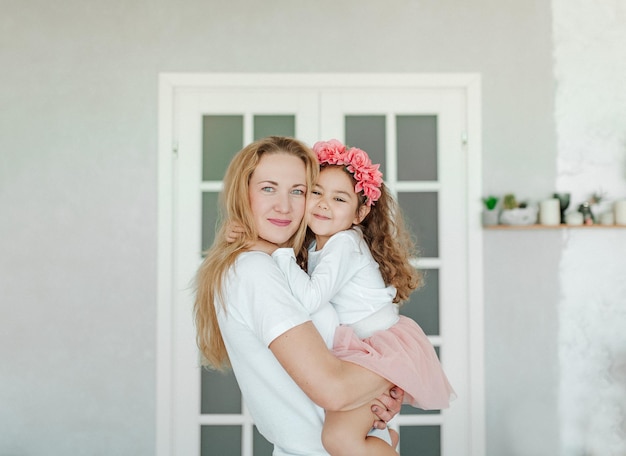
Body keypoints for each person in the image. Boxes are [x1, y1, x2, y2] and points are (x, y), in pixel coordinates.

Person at [193, 136, 403, 456]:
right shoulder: (254, 270)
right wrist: (395, 373)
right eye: (268, 188)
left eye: (298, 191)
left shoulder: (284, 264)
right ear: (242, 194)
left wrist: (379, 396)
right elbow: (334, 390)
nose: (284, 205)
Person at [249, 139, 456, 455]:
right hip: (366, 346)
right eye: (316, 192)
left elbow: (309, 299)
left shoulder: (344, 244)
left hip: (378, 346)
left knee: (338, 440)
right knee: (343, 433)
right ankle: (384, 442)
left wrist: (277, 253)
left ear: (360, 213)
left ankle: (384, 446)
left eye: (339, 198)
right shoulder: (322, 245)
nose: (323, 204)